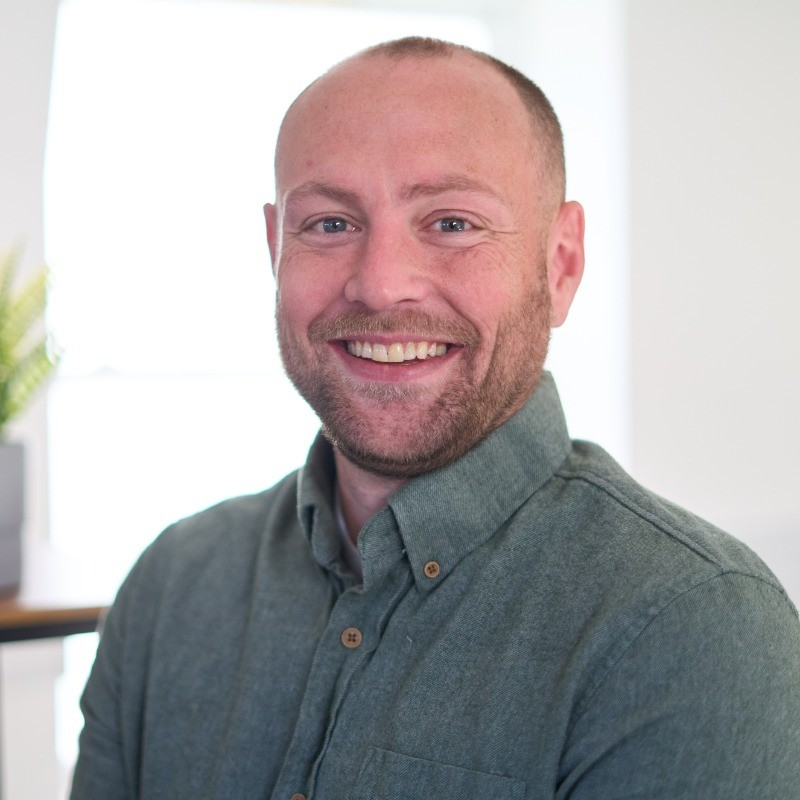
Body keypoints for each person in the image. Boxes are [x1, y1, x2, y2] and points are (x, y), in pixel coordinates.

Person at [71, 37, 800, 800]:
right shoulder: (170, 587)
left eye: (452, 223)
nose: (381, 285)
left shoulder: (693, 628)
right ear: (274, 250)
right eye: (329, 224)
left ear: (560, 265)